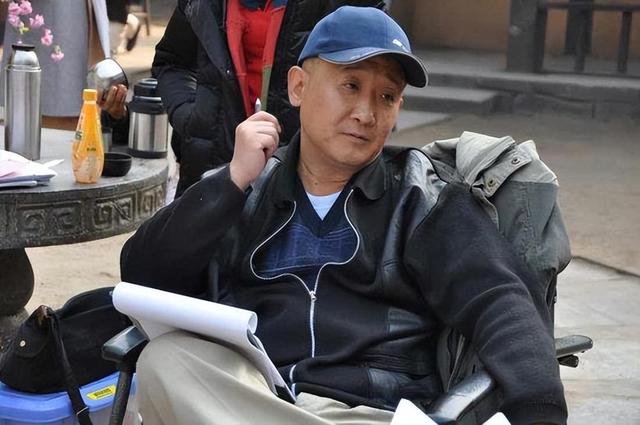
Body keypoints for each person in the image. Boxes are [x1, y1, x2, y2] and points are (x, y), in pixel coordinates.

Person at [121, 6, 567, 425]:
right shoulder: (249, 188)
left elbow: (503, 305)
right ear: (298, 87)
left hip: (371, 411)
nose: (366, 113)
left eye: (387, 96)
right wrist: (231, 181)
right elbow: (143, 275)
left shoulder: (421, 197)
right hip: (256, 398)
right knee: (165, 359)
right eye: (350, 85)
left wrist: (540, 411)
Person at [152, 0, 383, 197]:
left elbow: (379, 73)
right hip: (211, 162)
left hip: (307, 175)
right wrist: (193, 118)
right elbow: (173, 61)